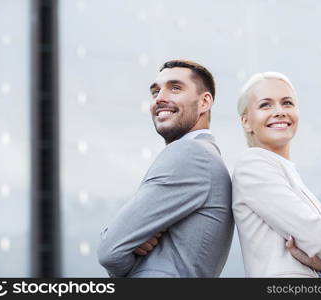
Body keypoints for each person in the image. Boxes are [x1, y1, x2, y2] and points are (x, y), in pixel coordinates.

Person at [97, 59, 234, 277]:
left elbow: (110, 251)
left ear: (204, 102)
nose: (160, 98)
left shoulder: (190, 153)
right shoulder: (205, 157)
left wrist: (132, 251)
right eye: (155, 92)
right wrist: (135, 240)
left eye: (175, 88)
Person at [232, 72, 321, 277]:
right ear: (246, 121)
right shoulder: (252, 166)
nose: (279, 112)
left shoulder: (290, 176)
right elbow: (316, 237)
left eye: (287, 103)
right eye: (266, 105)